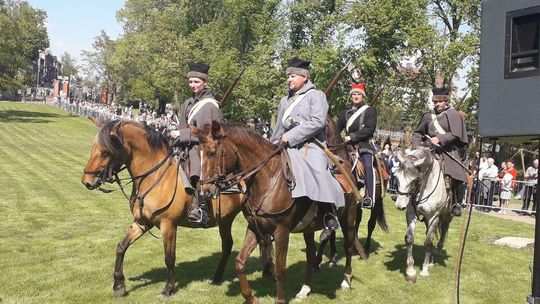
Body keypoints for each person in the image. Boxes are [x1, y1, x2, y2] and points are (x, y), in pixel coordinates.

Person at [270, 57, 344, 240]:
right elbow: (279, 127)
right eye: (288, 77)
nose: (289, 80)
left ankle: (329, 212)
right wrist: (271, 144)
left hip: (311, 145)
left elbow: (318, 122)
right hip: (286, 144)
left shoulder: (316, 96)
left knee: (318, 168)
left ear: (304, 77)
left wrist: (292, 136)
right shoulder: (283, 101)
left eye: (293, 76)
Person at [171, 62, 223, 226]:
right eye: (191, 82)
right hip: (184, 143)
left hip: (202, 147)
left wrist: (183, 135)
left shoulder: (209, 105)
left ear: (205, 82)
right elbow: (182, 125)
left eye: (197, 82)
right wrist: (178, 136)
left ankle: (202, 208)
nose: (193, 85)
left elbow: (209, 135)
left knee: (197, 168)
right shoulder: (187, 103)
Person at [412, 87, 469, 216]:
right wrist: (416, 148)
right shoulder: (428, 116)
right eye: (435, 102)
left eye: (440, 102)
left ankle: (456, 203)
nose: (437, 104)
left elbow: (456, 134)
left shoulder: (453, 114)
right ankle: (408, 196)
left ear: (446, 101)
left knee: (457, 173)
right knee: (411, 167)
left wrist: (439, 138)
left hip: (448, 150)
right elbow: (417, 133)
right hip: (429, 149)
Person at [337, 83, 377, 208]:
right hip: (346, 145)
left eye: (358, 94)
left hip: (363, 144)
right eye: (353, 94)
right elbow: (337, 129)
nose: (356, 96)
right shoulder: (345, 113)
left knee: (368, 165)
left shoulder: (370, 111)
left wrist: (352, 137)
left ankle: (369, 197)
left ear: (363, 96)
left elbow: (369, 130)